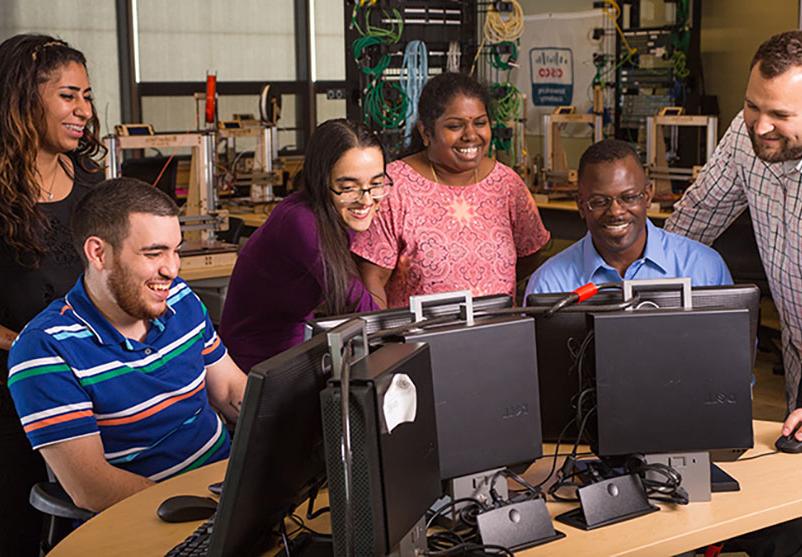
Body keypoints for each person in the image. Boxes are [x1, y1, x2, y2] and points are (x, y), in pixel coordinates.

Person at [7, 178, 247, 514]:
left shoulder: (180, 298)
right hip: (153, 518)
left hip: (227, 487)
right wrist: (209, 511)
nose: (172, 269)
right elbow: (92, 487)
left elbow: (232, 390)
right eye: (154, 253)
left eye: (175, 251)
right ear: (98, 253)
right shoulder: (45, 348)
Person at [0, 34, 105, 556]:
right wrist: (31, 345)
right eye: (69, 96)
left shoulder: (87, 176)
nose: (84, 110)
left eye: (86, 96)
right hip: (13, 394)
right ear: (23, 99)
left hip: (88, 386)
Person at [664, 30, 802, 413]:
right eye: (752, 106)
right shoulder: (746, 138)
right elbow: (694, 219)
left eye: (780, 115)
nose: (760, 126)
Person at [352, 72, 550, 308]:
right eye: (455, 126)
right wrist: (386, 338)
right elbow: (372, 278)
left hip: (498, 333)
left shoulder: (507, 184)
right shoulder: (394, 187)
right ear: (426, 133)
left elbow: (530, 253)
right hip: (421, 339)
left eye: (480, 123)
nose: (471, 135)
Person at [219, 119, 381, 372]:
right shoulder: (300, 222)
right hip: (254, 363)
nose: (366, 199)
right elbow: (354, 301)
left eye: (377, 184)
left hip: (295, 347)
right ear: (321, 181)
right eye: (348, 187)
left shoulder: (341, 213)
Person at [525, 139, 732, 297]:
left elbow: (732, 347)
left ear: (648, 195)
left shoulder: (703, 269)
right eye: (599, 201)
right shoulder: (549, 285)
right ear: (581, 205)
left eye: (629, 197)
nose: (615, 211)